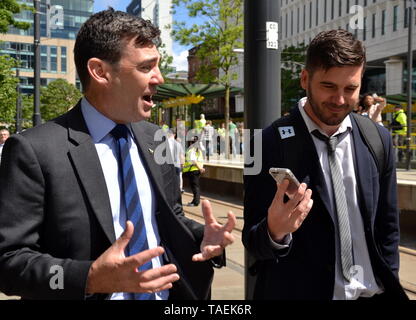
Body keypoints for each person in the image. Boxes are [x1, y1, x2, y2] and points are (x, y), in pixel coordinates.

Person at [0, 9, 236, 300]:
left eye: (158, 65)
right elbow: (8, 263)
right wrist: (87, 278)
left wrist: (201, 237)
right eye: (146, 67)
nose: (159, 78)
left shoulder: (155, 138)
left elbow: (166, 216)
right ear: (100, 72)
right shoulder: (33, 151)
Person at [243, 29, 407, 300]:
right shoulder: (265, 144)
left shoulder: (378, 138)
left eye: (351, 88)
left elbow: (388, 229)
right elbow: (253, 242)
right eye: (329, 86)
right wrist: (275, 231)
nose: (340, 100)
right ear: (305, 79)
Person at [182, 136, 205, 207]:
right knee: (195, 186)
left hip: (193, 170)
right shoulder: (198, 150)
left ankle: (196, 202)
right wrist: (201, 168)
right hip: (196, 170)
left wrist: (200, 168)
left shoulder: (191, 150)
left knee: (195, 187)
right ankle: (195, 201)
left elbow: (193, 161)